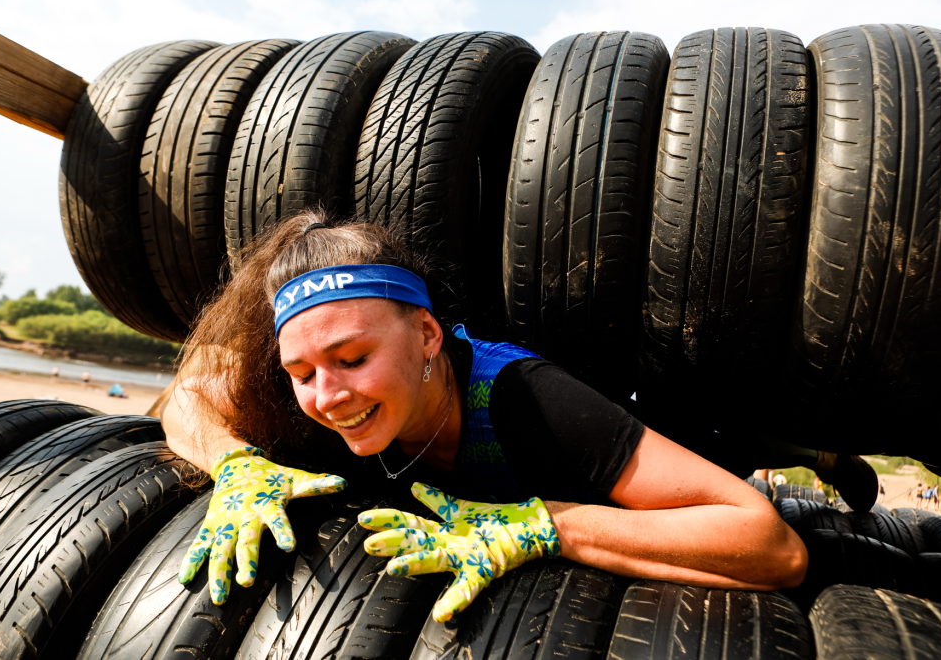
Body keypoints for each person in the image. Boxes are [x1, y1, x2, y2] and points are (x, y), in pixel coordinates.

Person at [161, 212, 809, 616]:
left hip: (638, 445)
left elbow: (772, 545)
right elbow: (188, 393)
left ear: (426, 336)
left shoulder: (525, 398)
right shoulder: (317, 405)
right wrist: (235, 464)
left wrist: (539, 525)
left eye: (352, 357)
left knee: (726, 440)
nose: (326, 395)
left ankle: (806, 447)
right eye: (300, 372)